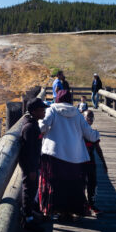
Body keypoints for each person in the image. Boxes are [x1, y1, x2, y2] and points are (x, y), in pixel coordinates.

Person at [38, 89, 100, 221]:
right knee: (71, 186)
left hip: (54, 154)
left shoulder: (52, 110)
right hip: (74, 157)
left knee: (54, 185)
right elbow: (90, 135)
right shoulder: (77, 113)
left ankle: (51, 211)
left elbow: (42, 127)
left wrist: (34, 123)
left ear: (57, 99)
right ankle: (69, 212)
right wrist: (97, 134)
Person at [19, 98, 49, 232]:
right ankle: (27, 219)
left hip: (33, 164)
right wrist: (31, 169)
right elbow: (30, 150)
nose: (44, 112)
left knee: (31, 190)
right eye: (42, 110)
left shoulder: (33, 123)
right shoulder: (30, 127)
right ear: (34, 111)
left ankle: (30, 214)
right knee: (28, 190)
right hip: (30, 167)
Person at [82, 110, 107, 216]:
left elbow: (98, 148)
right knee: (81, 184)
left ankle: (91, 204)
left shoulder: (92, 133)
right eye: (88, 117)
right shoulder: (79, 132)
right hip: (80, 161)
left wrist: (104, 162)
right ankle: (82, 205)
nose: (90, 119)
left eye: (92, 117)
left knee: (92, 183)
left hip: (91, 162)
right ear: (83, 118)